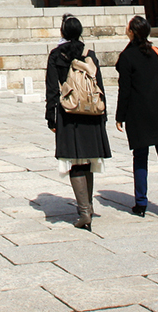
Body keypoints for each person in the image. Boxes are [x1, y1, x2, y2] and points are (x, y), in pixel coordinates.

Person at [45, 14, 111, 230]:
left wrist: (50, 115)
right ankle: (88, 206)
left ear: (63, 32)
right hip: (91, 112)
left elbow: (52, 90)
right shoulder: (89, 54)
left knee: (74, 160)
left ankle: (83, 212)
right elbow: (98, 84)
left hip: (69, 111)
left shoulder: (56, 55)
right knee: (89, 160)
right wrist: (104, 113)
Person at [115, 15, 158, 223]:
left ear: (132, 32)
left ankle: (141, 203)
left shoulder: (127, 57)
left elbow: (124, 90)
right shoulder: (154, 53)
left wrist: (120, 116)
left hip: (138, 112)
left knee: (140, 158)